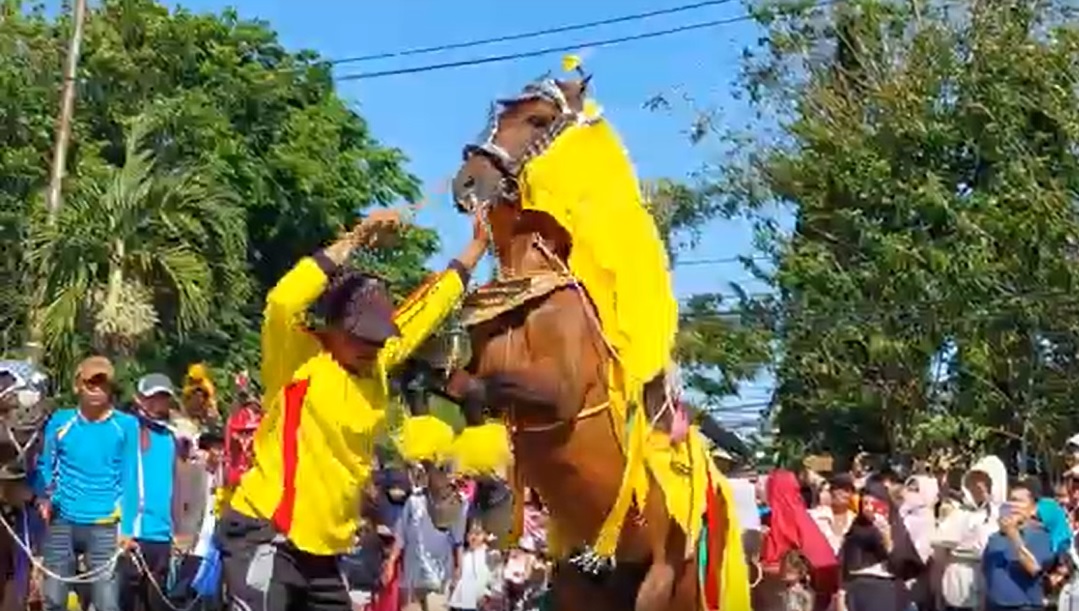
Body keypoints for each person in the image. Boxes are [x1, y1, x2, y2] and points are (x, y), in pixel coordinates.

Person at [217, 208, 488, 611]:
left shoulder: (378, 363)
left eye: (379, 339)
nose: (371, 347)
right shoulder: (298, 360)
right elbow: (281, 300)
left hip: (323, 554)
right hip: (266, 535)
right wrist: (356, 239)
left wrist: (478, 247)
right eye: (361, 336)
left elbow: (430, 306)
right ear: (332, 328)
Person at [39, 356, 139, 611]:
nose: (96, 390)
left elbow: (130, 479)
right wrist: (44, 496)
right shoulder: (60, 421)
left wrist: (127, 528)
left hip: (104, 523)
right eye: (90, 383)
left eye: (103, 384)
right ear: (77, 386)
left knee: (106, 601)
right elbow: (44, 466)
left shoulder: (126, 425)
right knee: (53, 597)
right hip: (62, 518)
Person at [116, 373, 184, 611]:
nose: (157, 404)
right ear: (139, 399)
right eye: (152, 398)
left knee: (157, 602)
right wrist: (123, 530)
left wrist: (178, 530)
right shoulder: (128, 430)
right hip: (133, 535)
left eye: (163, 398)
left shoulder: (170, 437)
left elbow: (175, 485)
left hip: (162, 536)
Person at [932, 454, 1007, 611]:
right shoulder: (959, 514)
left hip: (987, 581)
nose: (979, 486)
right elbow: (940, 547)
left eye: (984, 481)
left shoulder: (1002, 515)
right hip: (956, 580)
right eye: (975, 481)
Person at [839, 477, 924, 611]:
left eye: (873, 503)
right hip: (858, 592)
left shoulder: (895, 528)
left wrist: (887, 540)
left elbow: (903, 566)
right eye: (864, 503)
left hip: (886, 591)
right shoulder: (857, 528)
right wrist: (841, 596)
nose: (868, 508)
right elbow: (844, 565)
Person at [982, 478, 1054, 611]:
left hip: (1024, 605)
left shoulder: (1040, 535)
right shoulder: (995, 537)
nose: (1012, 505)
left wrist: (1013, 535)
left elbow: (1034, 569)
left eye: (1018, 501)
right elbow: (986, 573)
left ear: (1033, 509)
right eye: (1010, 500)